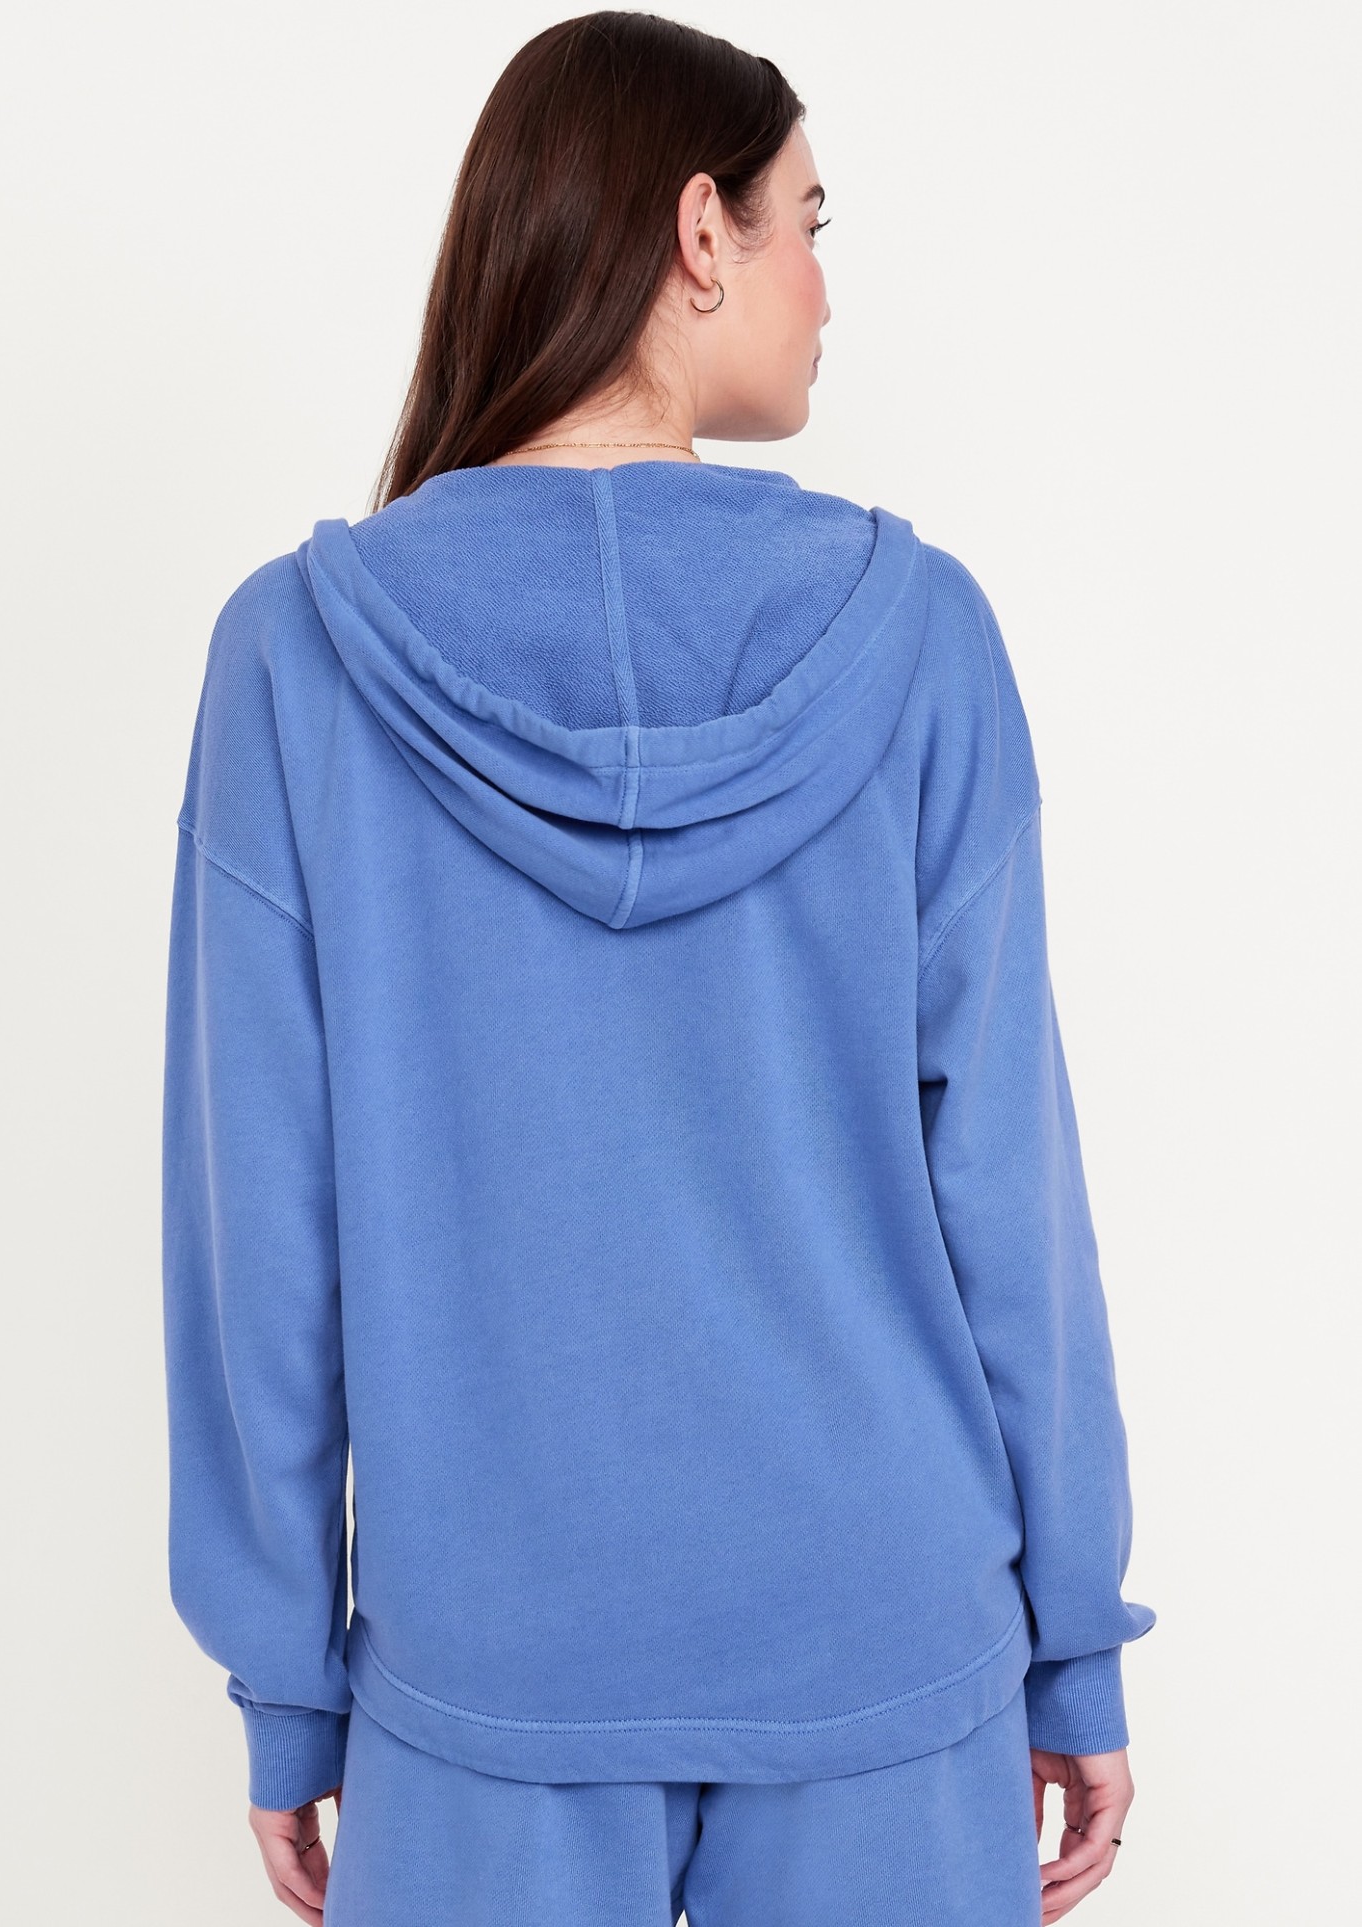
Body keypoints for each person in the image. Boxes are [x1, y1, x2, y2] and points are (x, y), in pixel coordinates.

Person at [160, 12, 1157, 1925]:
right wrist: (1070, 1640)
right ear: (701, 232)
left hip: (487, 1664)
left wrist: (289, 1679)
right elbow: (1009, 1195)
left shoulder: (293, 659)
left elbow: (257, 1234)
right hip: (884, 1636)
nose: (824, 290)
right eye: (808, 224)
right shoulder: (920, 636)